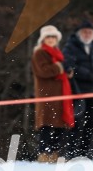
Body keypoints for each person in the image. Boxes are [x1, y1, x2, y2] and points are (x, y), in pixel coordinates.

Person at [62, 21, 93, 158]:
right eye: (85, 32)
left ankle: (84, 152)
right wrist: (88, 74)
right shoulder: (70, 47)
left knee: (91, 122)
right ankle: (71, 153)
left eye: (90, 32)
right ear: (79, 34)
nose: (87, 34)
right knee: (76, 122)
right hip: (77, 90)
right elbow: (68, 66)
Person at [31, 25, 74, 161]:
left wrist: (67, 71)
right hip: (47, 94)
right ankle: (44, 154)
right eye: (48, 37)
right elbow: (43, 71)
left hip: (60, 94)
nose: (51, 39)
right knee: (47, 125)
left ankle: (55, 154)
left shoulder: (58, 53)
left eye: (53, 37)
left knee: (59, 125)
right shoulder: (39, 53)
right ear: (43, 39)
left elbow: (60, 71)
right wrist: (60, 67)